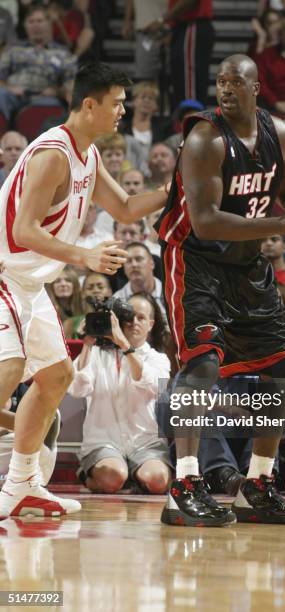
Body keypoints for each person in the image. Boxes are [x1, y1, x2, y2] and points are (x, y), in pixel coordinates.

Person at [155, 53, 285, 527]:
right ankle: (184, 485)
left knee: (284, 366)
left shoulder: (280, 132)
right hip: (194, 260)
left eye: (236, 82)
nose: (226, 89)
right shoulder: (203, 139)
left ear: (257, 88)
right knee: (202, 363)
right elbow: (206, 220)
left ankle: (258, 480)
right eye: (220, 81)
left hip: (246, 263)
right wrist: (281, 224)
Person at [0, 62, 168, 519]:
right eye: (116, 103)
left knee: (56, 378)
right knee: (8, 375)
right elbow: (24, 229)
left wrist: (174, 191)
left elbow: (128, 208)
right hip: (4, 274)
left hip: (29, 283)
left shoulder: (88, 156)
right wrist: (84, 256)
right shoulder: (53, 153)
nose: (121, 112)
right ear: (89, 104)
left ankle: (20, 484)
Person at [69, 293, 172, 494]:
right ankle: (89, 475)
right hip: (103, 442)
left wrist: (125, 345)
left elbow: (149, 384)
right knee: (112, 478)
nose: (134, 322)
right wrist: (87, 345)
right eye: (129, 317)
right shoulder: (97, 354)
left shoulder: (158, 359)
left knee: (158, 481)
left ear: (150, 324)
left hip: (145, 443)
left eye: (141, 318)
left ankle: (134, 476)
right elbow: (77, 389)